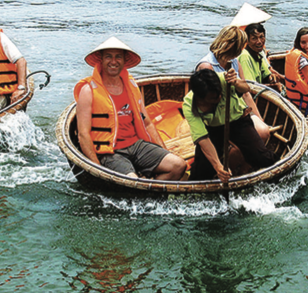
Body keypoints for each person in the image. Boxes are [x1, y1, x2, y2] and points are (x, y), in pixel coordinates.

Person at [74, 37, 186, 180]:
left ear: (124, 61)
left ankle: (147, 196)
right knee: (132, 180)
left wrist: (164, 152)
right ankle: (143, 187)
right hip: (110, 151)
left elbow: (147, 123)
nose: (113, 61)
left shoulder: (131, 85)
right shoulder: (88, 91)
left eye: (118, 57)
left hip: (136, 145)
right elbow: (83, 135)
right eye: (108, 56)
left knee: (178, 165)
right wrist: (97, 169)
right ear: (101, 60)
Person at [183, 69, 277, 182]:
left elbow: (246, 88)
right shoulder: (189, 104)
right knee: (201, 171)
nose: (219, 98)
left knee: (260, 157)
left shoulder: (224, 79)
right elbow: (203, 138)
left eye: (220, 95)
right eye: (213, 99)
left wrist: (236, 82)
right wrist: (218, 166)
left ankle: (280, 173)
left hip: (238, 121)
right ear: (201, 99)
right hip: (212, 128)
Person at [196, 25, 270, 142]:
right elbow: (207, 104)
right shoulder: (206, 66)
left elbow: (246, 93)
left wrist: (259, 119)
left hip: (238, 111)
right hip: (218, 118)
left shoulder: (234, 61)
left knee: (264, 131)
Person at [238, 22, 285, 91]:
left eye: (261, 37)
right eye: (254, 38)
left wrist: (271, 77)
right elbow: (250, 86)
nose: (259, 41)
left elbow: (266, 74)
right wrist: (274, 86)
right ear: (247, 40)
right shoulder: (245, 56)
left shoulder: (259, 54)